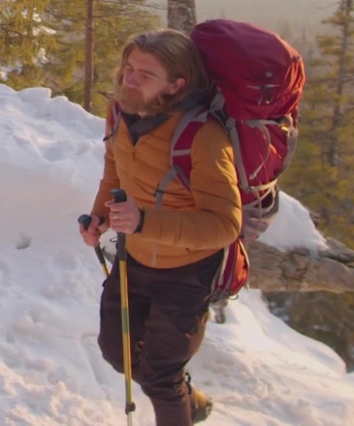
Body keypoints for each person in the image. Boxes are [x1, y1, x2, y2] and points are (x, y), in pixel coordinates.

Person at [78, 29, 241, 426]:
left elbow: (224, 224)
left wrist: (145, 221)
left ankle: (180, 402)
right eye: (129, 68)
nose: (129, 79)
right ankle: (191, 400)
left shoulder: (202, 137)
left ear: (176, 84)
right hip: (134, 256)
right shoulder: (120, 112)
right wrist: (100, 215)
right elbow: (116, 168)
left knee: (159, 376)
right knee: (118, 355)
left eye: (145, 75)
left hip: (188, 271)